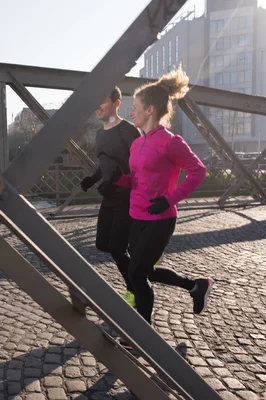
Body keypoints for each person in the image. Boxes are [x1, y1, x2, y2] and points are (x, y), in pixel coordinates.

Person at [106, 67, 213, 337]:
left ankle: (141, 337)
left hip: (161, 219)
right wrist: (120, 180)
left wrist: (169, 199)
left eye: (136, 108)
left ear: (150, 110)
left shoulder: (170, 142)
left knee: (137, 274)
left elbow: (198, 170)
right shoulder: (137, 144)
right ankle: (196, 286)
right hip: (137, 217)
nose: (131, 113)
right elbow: (138, 179)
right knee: (146, 272)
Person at [80, 87, 141, 307]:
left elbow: (139, 166)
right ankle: (139, 268)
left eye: (103, 101)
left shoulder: (128, 131)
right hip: (108, 198)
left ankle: (134, 289)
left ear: (117, 103)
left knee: (116, 248)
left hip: (126, 198)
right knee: (102, 243)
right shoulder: (100, 133)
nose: (98, 105)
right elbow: (104, 163)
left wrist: (119, 182)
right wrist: (93, 179)